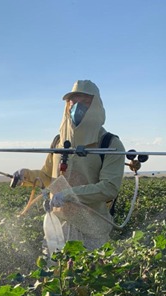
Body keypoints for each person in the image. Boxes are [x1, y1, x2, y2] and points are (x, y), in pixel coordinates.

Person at [12, 79, 125, 251]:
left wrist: (69, 194)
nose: (77, 107)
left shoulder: (110, 143)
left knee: (91, 274)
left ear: (95, 105)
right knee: (54, 274)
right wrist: (25, 175)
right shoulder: (59, 141)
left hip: (91, 228)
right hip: (58, 226)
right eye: (73, 102)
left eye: (85, 102)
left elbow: (109, 188)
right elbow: (48, 177)